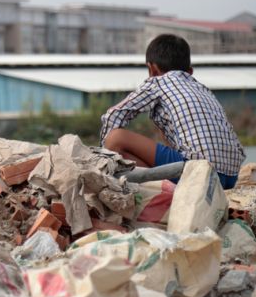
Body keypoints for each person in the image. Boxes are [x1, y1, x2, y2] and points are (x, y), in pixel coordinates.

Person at [100, 34, 245, 189]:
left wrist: (101, 158)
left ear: (152, 69)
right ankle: (163, 186)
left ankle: (162, 190)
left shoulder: (158, 82)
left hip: (197, 172)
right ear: (190, 71)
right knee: (165, 131)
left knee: (115, 138)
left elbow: (113, 116)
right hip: (230, 177)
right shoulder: (203, 89)